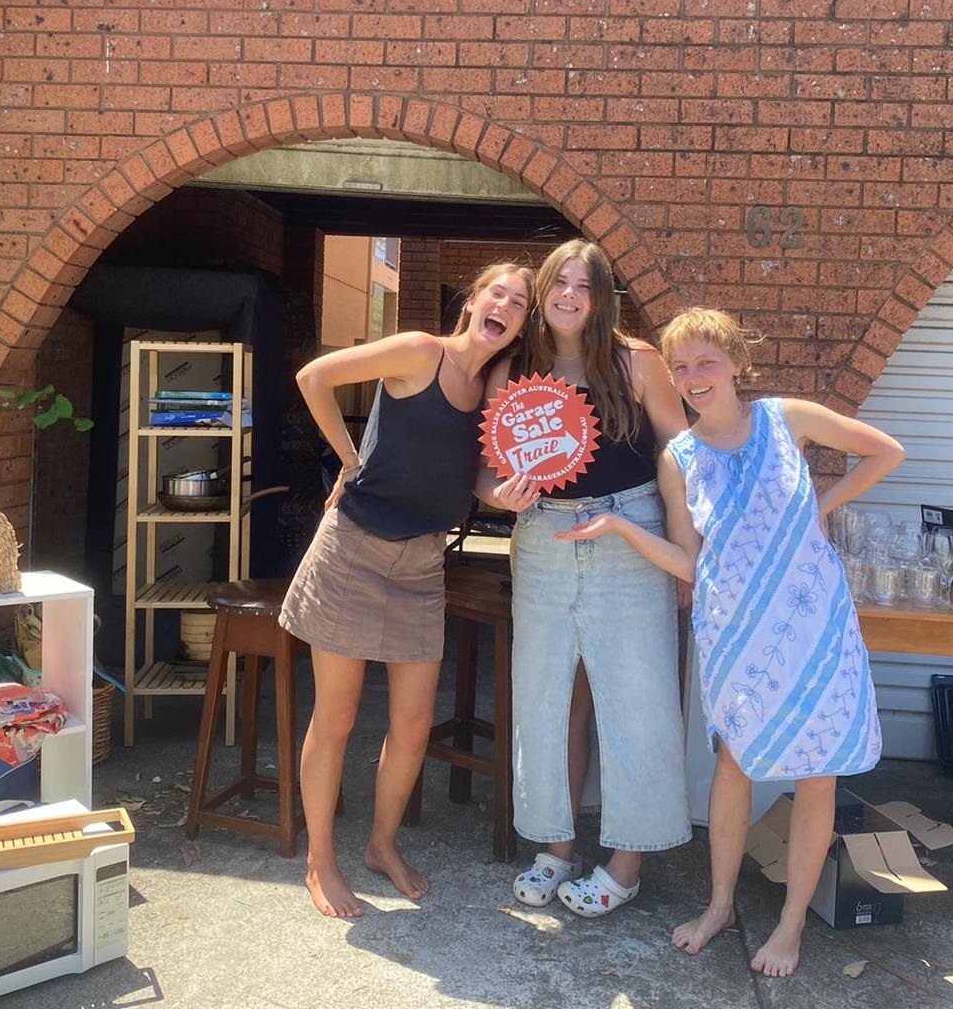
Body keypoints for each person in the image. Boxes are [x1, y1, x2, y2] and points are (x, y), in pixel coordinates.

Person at [556, 307, 905, 976]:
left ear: (737, 363)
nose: (692, 378)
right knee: (734, 766)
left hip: (812, 626)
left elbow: (886, 451)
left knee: (815, 774)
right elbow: (692, 563)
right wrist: (624, 531)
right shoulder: (678, 459)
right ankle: (719, 906)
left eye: (705, 363)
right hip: (733, 633)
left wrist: (819, 507)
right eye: (680, 368)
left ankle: (791, 924)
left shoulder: (787, 419)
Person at [280, 261, 533, 919]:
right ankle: (320, 861)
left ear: (520, 325)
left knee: (414, 725)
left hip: (421, 565)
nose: (504, 304)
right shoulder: (421, 351)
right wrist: (349, 458)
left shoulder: (494, 389)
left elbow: (471, 475)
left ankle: (380, 847)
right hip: (352, 552)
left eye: (520, 302)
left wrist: (502, 495)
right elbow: (315, 377)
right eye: (496, 292)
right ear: (472, 303)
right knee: (335, 719)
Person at [478, 238, 692, 918]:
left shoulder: (636, 361)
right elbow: (484, 470)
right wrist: (496, 497)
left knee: (638, 698)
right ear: (543, 292)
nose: (569, 295)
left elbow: (680, 458)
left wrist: (685, 555)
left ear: (602, 298)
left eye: (585, 285)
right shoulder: (515, 367)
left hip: (629, 532)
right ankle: (555, 846)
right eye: (559, 283)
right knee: (547, 698)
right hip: (541, 533)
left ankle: (627, 861)